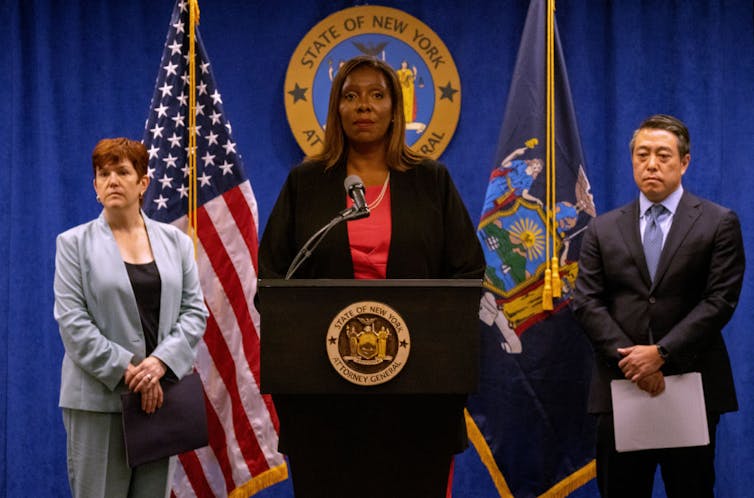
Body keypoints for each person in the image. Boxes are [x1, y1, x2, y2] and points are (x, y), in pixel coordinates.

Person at [259, 56, 484, 498]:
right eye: (351, 96)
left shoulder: (430, 180)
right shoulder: (307, 182)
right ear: (336, 111)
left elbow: (468, 275)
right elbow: (272, 280)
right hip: (323, 397)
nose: (364, 106)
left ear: (396, 110)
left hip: (418, 396)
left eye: (377, 95)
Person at [572, 114, 745, 498]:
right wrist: (634, 362)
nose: (651, 164)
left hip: (690, 383)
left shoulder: (718, 223)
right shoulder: (602, 228)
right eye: (642, 154)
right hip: (621, 385)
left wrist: (662, 354)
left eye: (663, 155)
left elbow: (720, 300)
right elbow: (586, 301)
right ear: (632, 160)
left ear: (684, 162)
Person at [53, 138, 208, 497]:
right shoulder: (72, 244)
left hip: (160, 399)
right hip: (99, 400)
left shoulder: (177, 242)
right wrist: (130, 371)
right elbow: (73, 322)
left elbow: (194, 312)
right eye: (103, 174)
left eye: (122, 172)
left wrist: (159, 364)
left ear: (143, 182)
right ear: (94, 186)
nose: (112, 180)